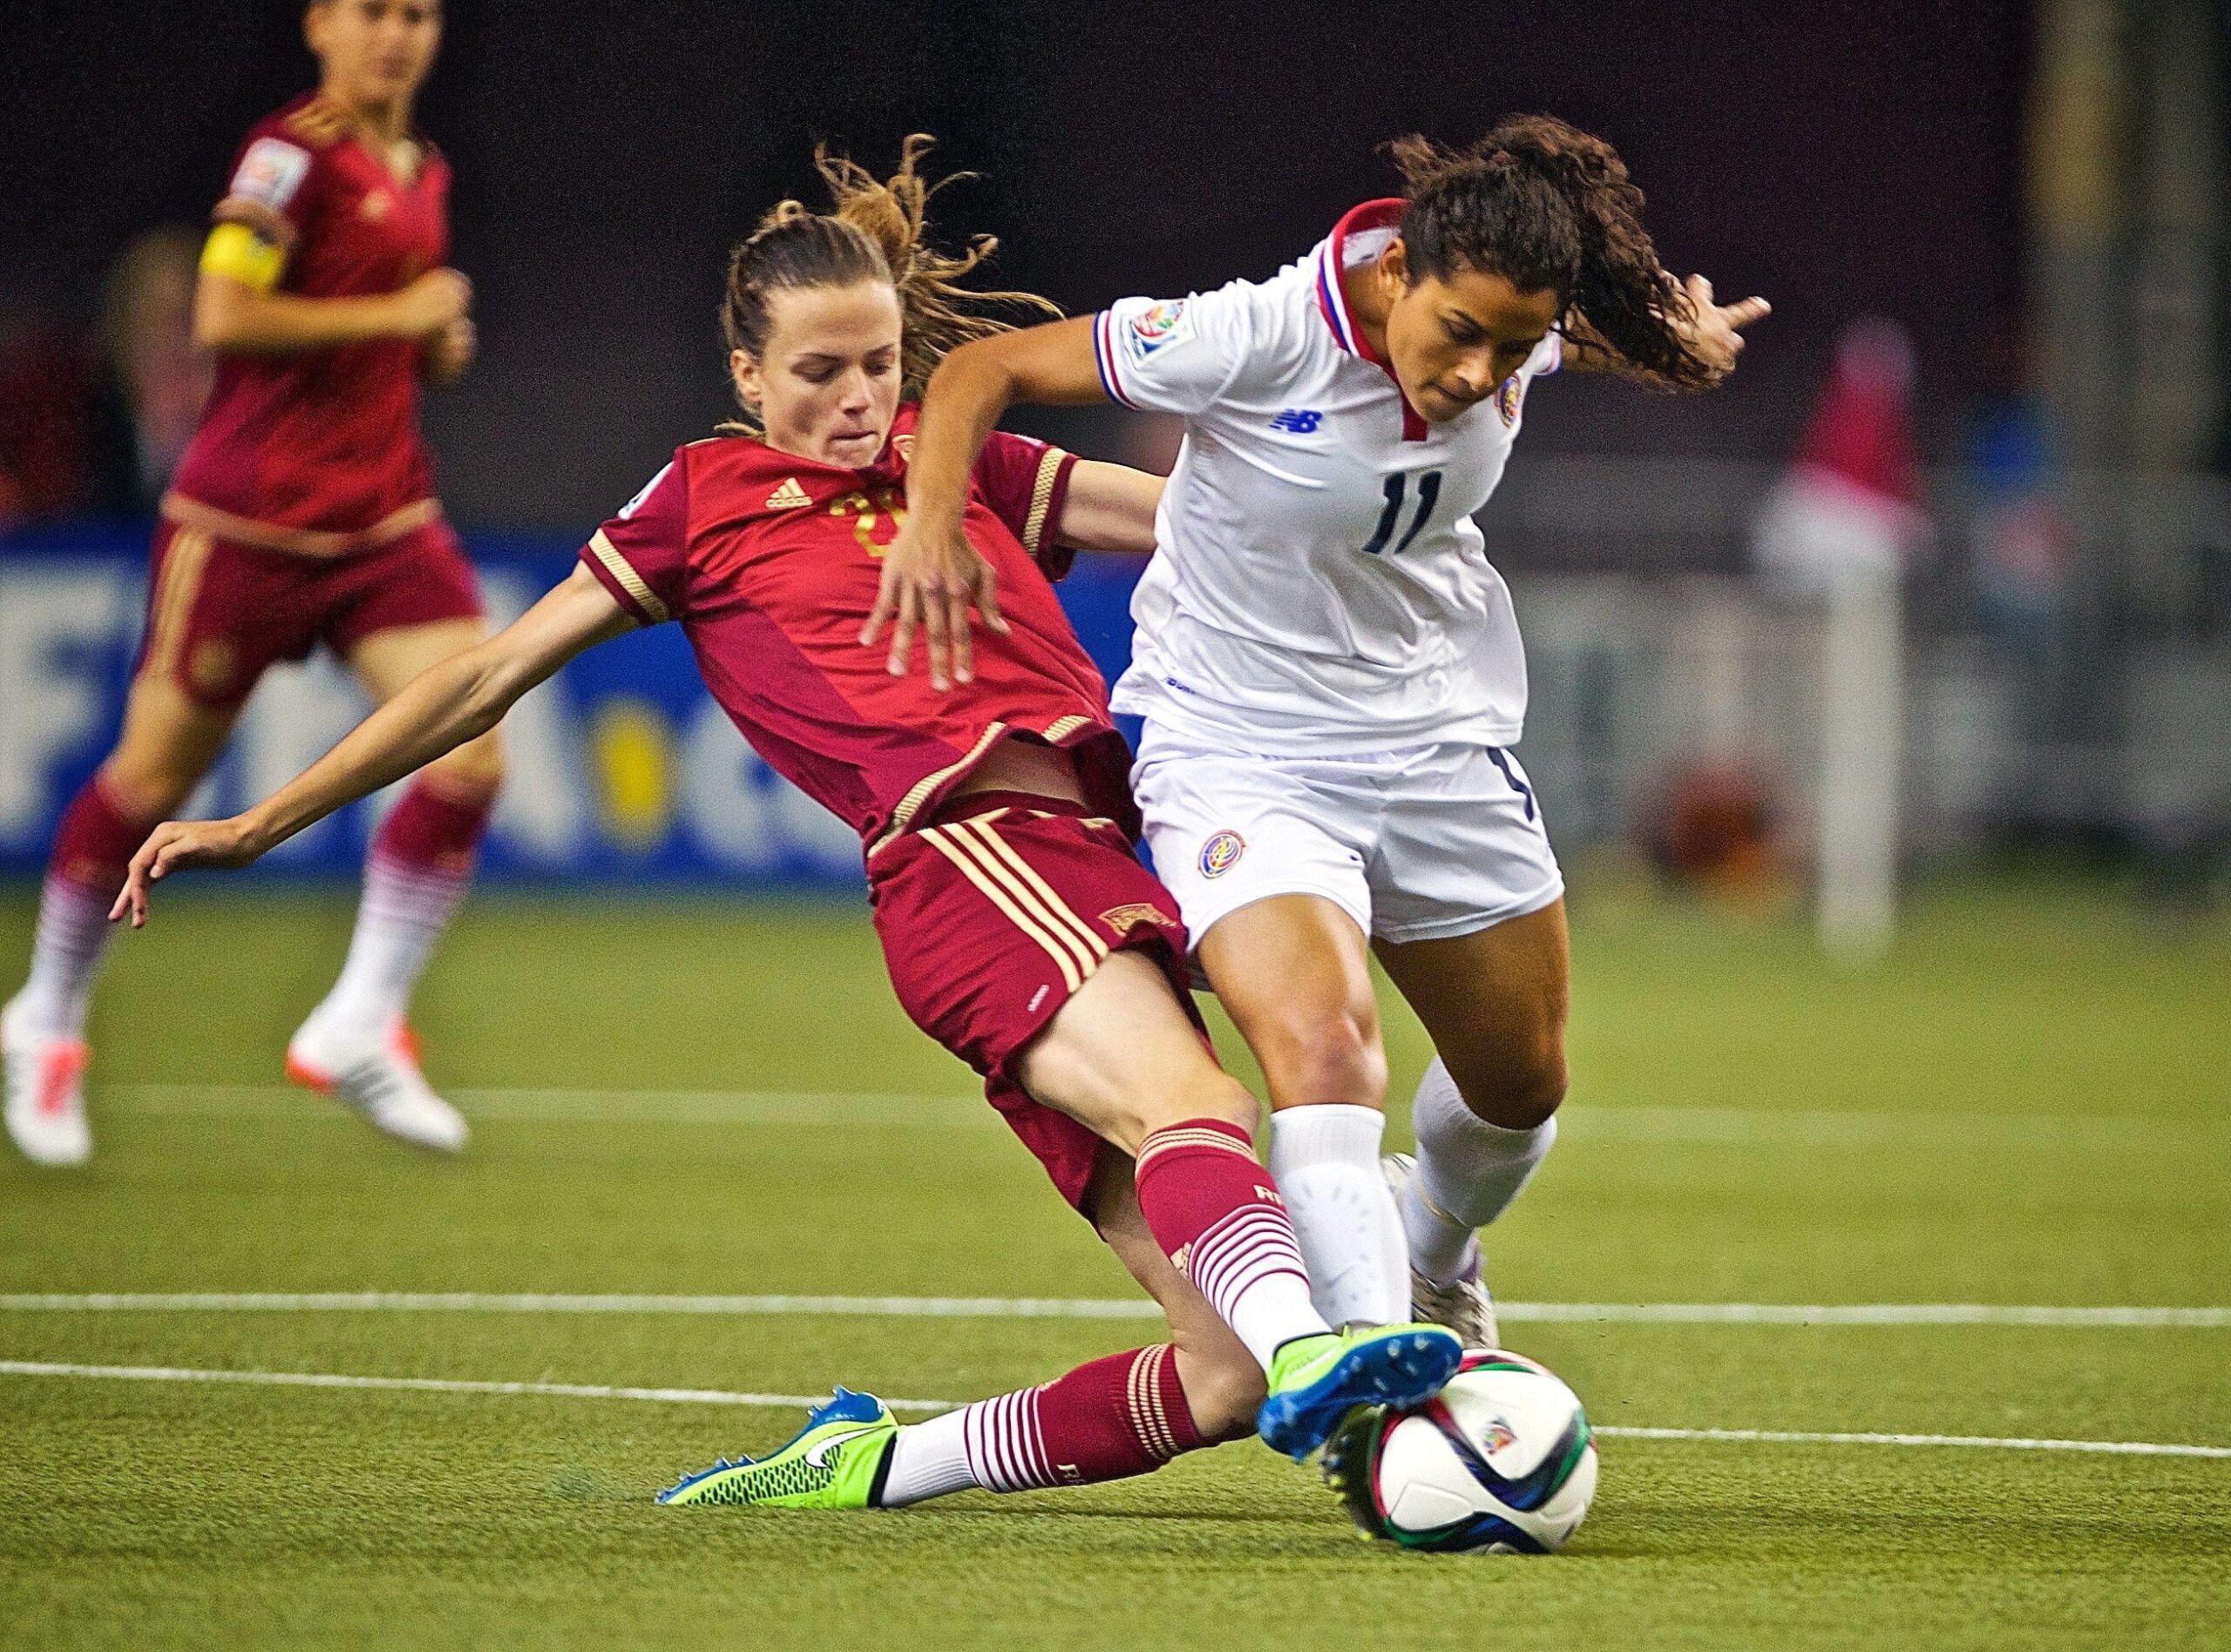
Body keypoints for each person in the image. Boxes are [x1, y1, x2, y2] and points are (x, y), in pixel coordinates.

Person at [112, 139, 1462, 1512]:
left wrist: (1404, 457)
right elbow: (479, 678)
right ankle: (1327, 1356)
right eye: (819, 373)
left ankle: (873, 1466)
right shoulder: (703, 503)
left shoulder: (962, 464)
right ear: (748, 377)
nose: (862, 399)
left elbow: (1222, 525)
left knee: (1218, 1370)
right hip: (968, 854)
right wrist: (267, 819)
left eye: (880, 364)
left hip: (1085, 874)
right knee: (1207, 1108)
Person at [869, 115, 1769, 1344]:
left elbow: (1564, 337)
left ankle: (1435, 1263)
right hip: (1240, 749)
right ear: (1397, 270)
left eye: (1509, 349)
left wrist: (1675, 336)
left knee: (1521, 1089)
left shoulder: (1505, 326)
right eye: (1458, 334)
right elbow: (987, 370)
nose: (1472, 373)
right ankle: (1380, 1386)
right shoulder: (1254, 334)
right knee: (1326, 1050)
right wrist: (930, 525)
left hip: (1433, 738)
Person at [3, 0, 488, 1164]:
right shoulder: (287, 157)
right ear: (321, 24)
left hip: (383, 523)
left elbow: (377, 334)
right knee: (150, 777)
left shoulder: (420, 166)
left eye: (417, 13)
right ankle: (47, 1015)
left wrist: (429, 347)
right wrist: (399, 313)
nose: (398, 36)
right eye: (373, 11)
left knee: (473, 752)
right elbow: (223, 312)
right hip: (247, 527)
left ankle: (362, 1016)